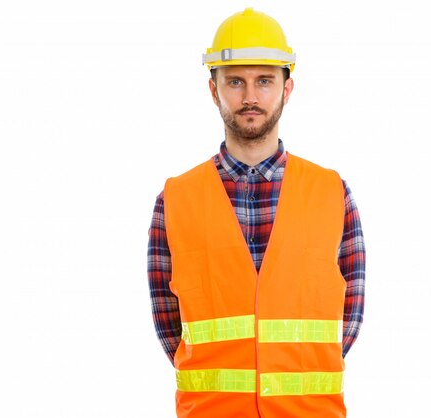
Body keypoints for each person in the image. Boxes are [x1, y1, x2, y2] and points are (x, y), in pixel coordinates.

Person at [147, 8, 366, 418]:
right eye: (235, 82)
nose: (250, 97)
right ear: (213, 90)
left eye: (264, 81)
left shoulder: (332, 192)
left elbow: (350, 316)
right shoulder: (175, 198)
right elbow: (167, 322)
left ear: (287, 88)